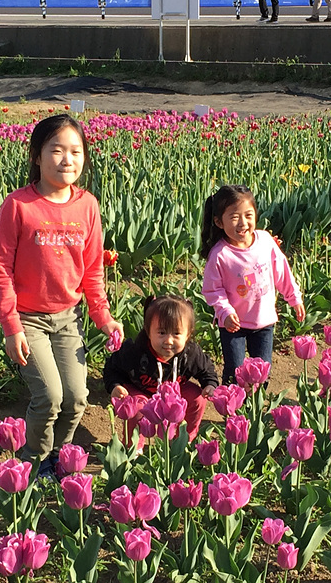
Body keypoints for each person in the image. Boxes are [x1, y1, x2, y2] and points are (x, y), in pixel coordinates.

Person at [0, 114, 124, 474]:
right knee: (49, 397)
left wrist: (104, 317)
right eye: (57, 150)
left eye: (76, 151)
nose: (68, 159)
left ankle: (60, 455)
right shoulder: (19, 205)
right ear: (37, 156)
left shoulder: (87, 205)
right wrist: (11, 327)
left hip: (68, 318)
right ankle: (34, 461)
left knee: (77, 398)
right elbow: (1, 270)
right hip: (29, 319)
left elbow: (93, 270)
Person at [200, 185, 305, 384]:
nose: (243, 223)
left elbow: (282, 271)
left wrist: (294, 298)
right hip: (233, 325)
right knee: (234, 372)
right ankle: (232, 402)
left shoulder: (265, 241)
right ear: (219, 222)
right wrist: (225, 312)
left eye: (248, 215)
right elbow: (213, 290)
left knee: (262, 372)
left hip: (263, 321)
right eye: (234, 217)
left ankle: (256, 403)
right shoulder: (220, 255)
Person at [105, 294, 219, 443]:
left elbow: (207, 370)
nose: (168, 340)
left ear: (188, 334)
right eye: (161, 332)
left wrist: (210, 384)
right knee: (136, 407)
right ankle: (134, 447)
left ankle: (185, 440)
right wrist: (115, 385)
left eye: (176, 333)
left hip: (173, 394)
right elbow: (112, 368)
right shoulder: (134, 352)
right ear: (148, 331)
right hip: (142, 391)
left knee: (197, 398)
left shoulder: (190, 354)